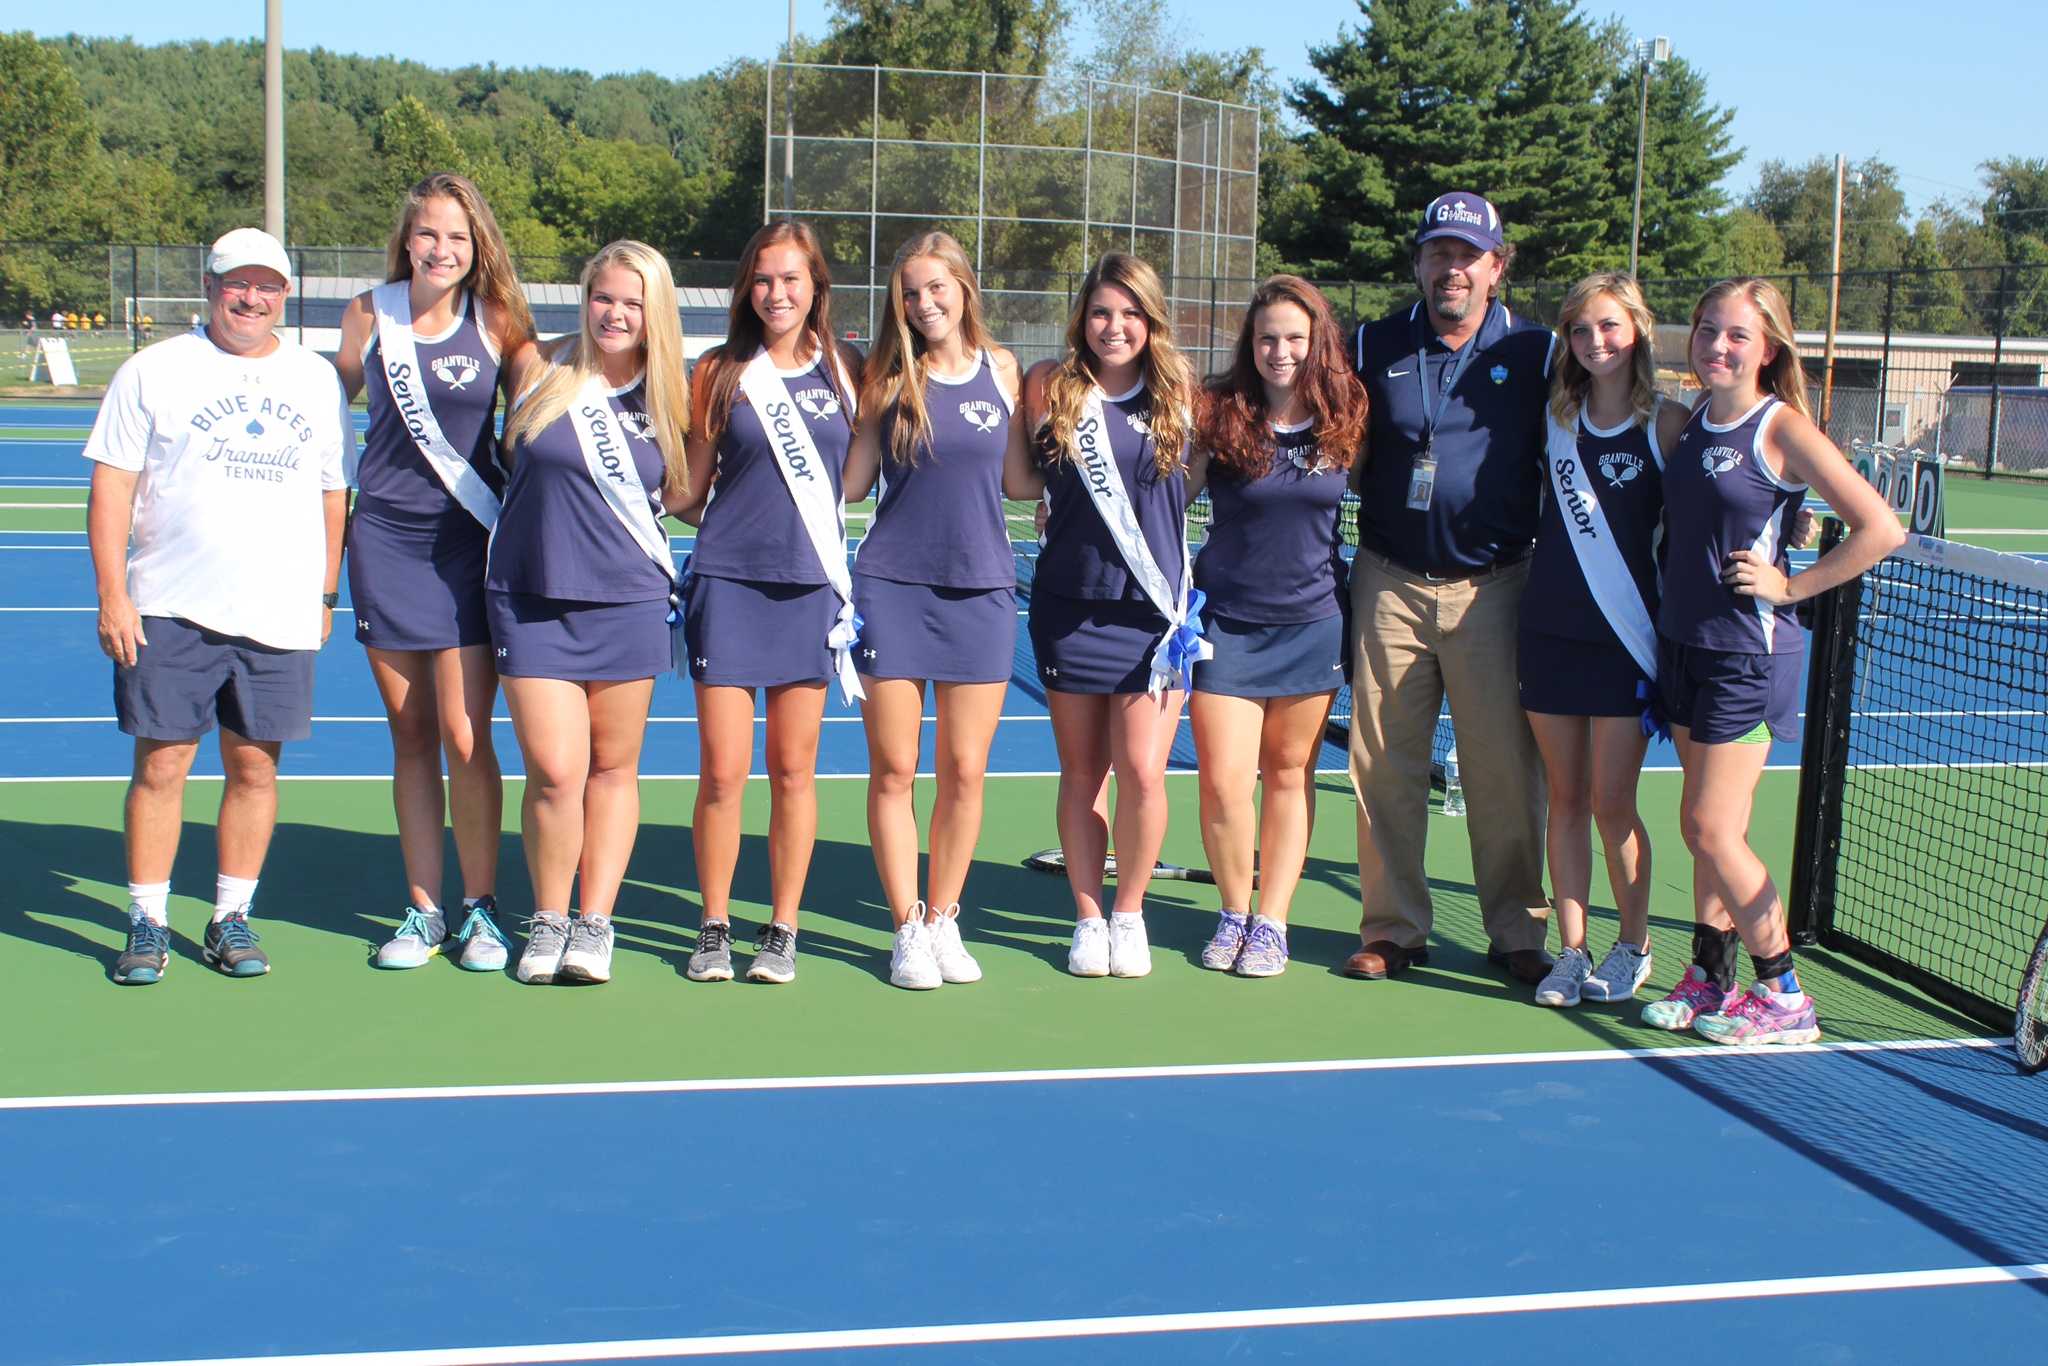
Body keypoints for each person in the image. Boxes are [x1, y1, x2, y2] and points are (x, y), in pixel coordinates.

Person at [85, 227, 351, 985]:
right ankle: (147, 920)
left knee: (255, 769)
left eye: (267, 285)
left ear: (285, 296)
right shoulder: (154, 371)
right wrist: (113, 595)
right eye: (238, 283)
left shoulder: (314, 379)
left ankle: (230, 916)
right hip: (169, 606)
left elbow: (335, 494)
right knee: (163, 764)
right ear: (210, 286)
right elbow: (112, 488)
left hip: (278, 610)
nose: (251, 297)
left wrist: (326, 593)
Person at [1644, 277, 1902, 1044]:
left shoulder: (1780, 427)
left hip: (1746, 655)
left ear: (1768, 348)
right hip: (1686, 644)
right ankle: (1709, 976)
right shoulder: (1691, 419)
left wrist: (1792, 585)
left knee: (1712, 826)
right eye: (1706, 330)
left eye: (1736, 336)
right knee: (1704, 832)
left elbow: (1880, 527)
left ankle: (1784, 994)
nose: (1717, 346)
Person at [1343, 190, 1555, 985]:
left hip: (1497, 584)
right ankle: (1394, 927)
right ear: (1420, 262)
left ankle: (1516, 933)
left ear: (1497, 268)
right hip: (1389, 581)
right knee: (1384, 768)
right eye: (1439, 253)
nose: (1452, 269)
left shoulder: (1538, 351)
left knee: (1504, 772)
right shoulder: (1370, 342)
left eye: (1469, 256)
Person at [331, 172, 535, 973]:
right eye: (428, 235)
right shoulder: (366, 315)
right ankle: (423, 911)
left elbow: (543, 419)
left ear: (475, 243)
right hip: (382, 543)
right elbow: (317, 406)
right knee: (411, 734)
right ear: (406, 240)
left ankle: (482, 910)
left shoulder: (496, 321)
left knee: (463, 731)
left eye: (457, 236)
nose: (442, 249)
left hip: (466, 545)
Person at [489, 240, 691, 986]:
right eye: (604, 297)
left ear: (655, 312)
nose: (615, 313)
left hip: (629, 602)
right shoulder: (537, 366)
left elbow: (689, 494)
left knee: (612, 769)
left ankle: (594, 922)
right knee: (553, 769)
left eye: (633, 302)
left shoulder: (674, 392)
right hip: (532, 598)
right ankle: (548, 916)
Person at [676, 221, 865, 986]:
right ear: (745, 289)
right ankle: (714, 924)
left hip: (809, 588)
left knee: (794, 770)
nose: (776, 293)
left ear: (817, 287)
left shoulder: (846, 369)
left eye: (791, 279)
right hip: (727, 583)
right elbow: (687, 493)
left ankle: (782, 928)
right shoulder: (719, 370)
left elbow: (858, 480)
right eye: (762, 279)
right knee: (723, 772)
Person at [843, 231, 1027, 990]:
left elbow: (1020, 482)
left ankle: (945, 918)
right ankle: (906, 930)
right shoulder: (887, 383)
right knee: (895, 769)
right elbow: (849, 485)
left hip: (982, 591)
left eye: (936, 289)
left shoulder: (1006, 371)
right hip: (892, 591)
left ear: (964, 288)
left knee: (965, 770)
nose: (924, 304)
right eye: (911, 294)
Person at [1012, 251, 1201, 979]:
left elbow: (1195, 488)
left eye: (1129, 314)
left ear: (1150, 322)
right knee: (1082, 772)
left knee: (1144, 774)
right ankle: (1089, 918)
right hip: (1068, 610)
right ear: (1082, 320)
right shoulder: (1050, 389)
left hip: (1155, 617)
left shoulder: (1181, 397)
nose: (1114, 326)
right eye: (1100, 313)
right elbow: (1024, 477)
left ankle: (1131, 912)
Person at [1186, 276, 1366, 978]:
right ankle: (1234, 909)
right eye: (1268, 337)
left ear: (1316, 341)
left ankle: (1273, 922)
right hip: (1226, 625)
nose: (1281, 350)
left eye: (1295, 337)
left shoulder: (1347, 415)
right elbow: (1169, 490)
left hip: (1313, 625)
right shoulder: (1220, 413)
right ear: (1249, 343)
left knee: (1290, 776)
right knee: (1225, 782)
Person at [1518, 273, 1675, 1007]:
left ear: (1636, 330)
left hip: (1623, 640)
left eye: (1609, 327)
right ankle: (1572, 952)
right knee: (1565, 800)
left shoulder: (1665, 424)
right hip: (1549, 631)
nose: (1595, 343)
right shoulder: (1554, 416)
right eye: (1580, 331)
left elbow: (1731, 490)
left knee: (1615, 803)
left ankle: (1633, 945)